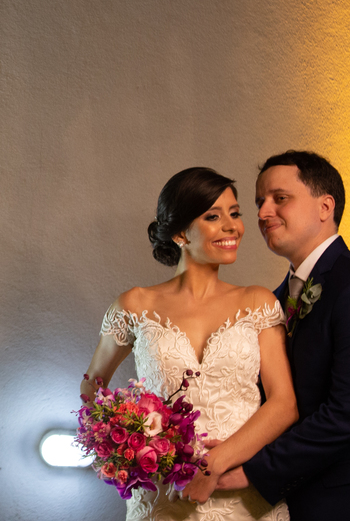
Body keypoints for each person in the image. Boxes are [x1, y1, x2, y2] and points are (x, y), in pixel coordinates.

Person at [82, 167, 298, 520]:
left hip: (244, 496)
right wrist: (127, 447)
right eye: (214, 216)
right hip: (165, 500)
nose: (233, 227)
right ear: (181, 232)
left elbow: (284, 403)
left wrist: (215, 465)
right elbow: (93, 388)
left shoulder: (258, 303)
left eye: (235, 213)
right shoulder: (135, 306)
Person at [216, 151, 350, 520]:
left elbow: (348, 413)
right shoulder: (275, 300)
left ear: (325, 206)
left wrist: (252, 469)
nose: (262, 213)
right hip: (295, 504)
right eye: (260, 202)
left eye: (280, 199)